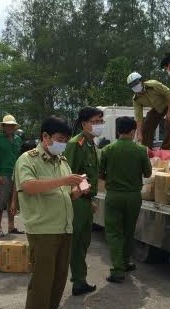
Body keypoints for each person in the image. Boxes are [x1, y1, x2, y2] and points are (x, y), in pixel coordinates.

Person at [13, 116, 86, 309]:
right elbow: (29, 186)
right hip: (43, 230)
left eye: (65, 140)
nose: (62, 144)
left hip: (64, 228)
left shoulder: (61, 161)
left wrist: (76, 190)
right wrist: (65, 180)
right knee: (41, 284)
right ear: (45, 137)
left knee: (57, 282)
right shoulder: (28, 159)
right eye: (59, 139)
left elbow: (64, 191)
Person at [100, 117, 152, 283]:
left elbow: (101, 174)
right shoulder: (140, 150)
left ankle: (117, 270)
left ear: (118, 131)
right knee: (129, 230)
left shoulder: (107, 150)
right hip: (133, 197)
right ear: (132, 131)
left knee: (114, 233)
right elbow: (148, 173)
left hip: (114, 195)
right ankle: (126, 262)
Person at [63, 107, 103, 296]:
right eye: (95, 122)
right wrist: (82, 196)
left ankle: (80, 279)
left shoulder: (89, 143)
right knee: (76, 242)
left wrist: (90, 199)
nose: (98, 125)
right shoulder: (75, 144)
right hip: (76, 201)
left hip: (85, 200)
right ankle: (76, 280)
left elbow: (87, 176)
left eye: (100, 121)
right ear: (83, 123)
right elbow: (69, 175)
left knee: (84, 241)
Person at [0, 114, 23, 237]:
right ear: (3, 126)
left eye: (12, 125)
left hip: (16, 174)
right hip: (3, 174)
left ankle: (11, 226)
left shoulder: (18, 139)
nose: (10, 127)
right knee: (0, 202)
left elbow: (19, 157)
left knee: (13, 202)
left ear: (15, 127)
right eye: (8, 125)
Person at [127, 71, 170, 149]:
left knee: (168, 123)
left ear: (141, 80)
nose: (135, 86)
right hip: (157, 107)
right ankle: (146, 148)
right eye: (132, 85)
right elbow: (138, 117)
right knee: (148, 122)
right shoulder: (136, 99)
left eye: (136, 83)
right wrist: (139, 133)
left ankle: (166, 149)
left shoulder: (154, 85)